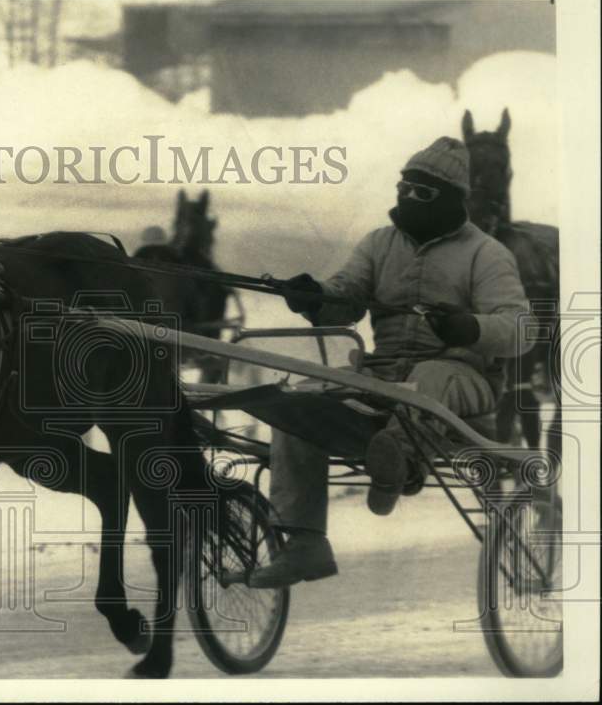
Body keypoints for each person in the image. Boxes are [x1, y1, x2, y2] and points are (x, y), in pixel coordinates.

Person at [227, 136, 533, 589]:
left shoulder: (485, 254)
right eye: (403, 187)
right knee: (300, 404)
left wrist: (470, 327)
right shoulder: (379, 244)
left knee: (430, 375)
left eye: (422, 192)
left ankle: (401, 465)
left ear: (452, 199)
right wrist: (312, 298)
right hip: (383, 378)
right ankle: (307, 545)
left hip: (462, 378)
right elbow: (345, 296)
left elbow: (520, 329)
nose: (408, 198)